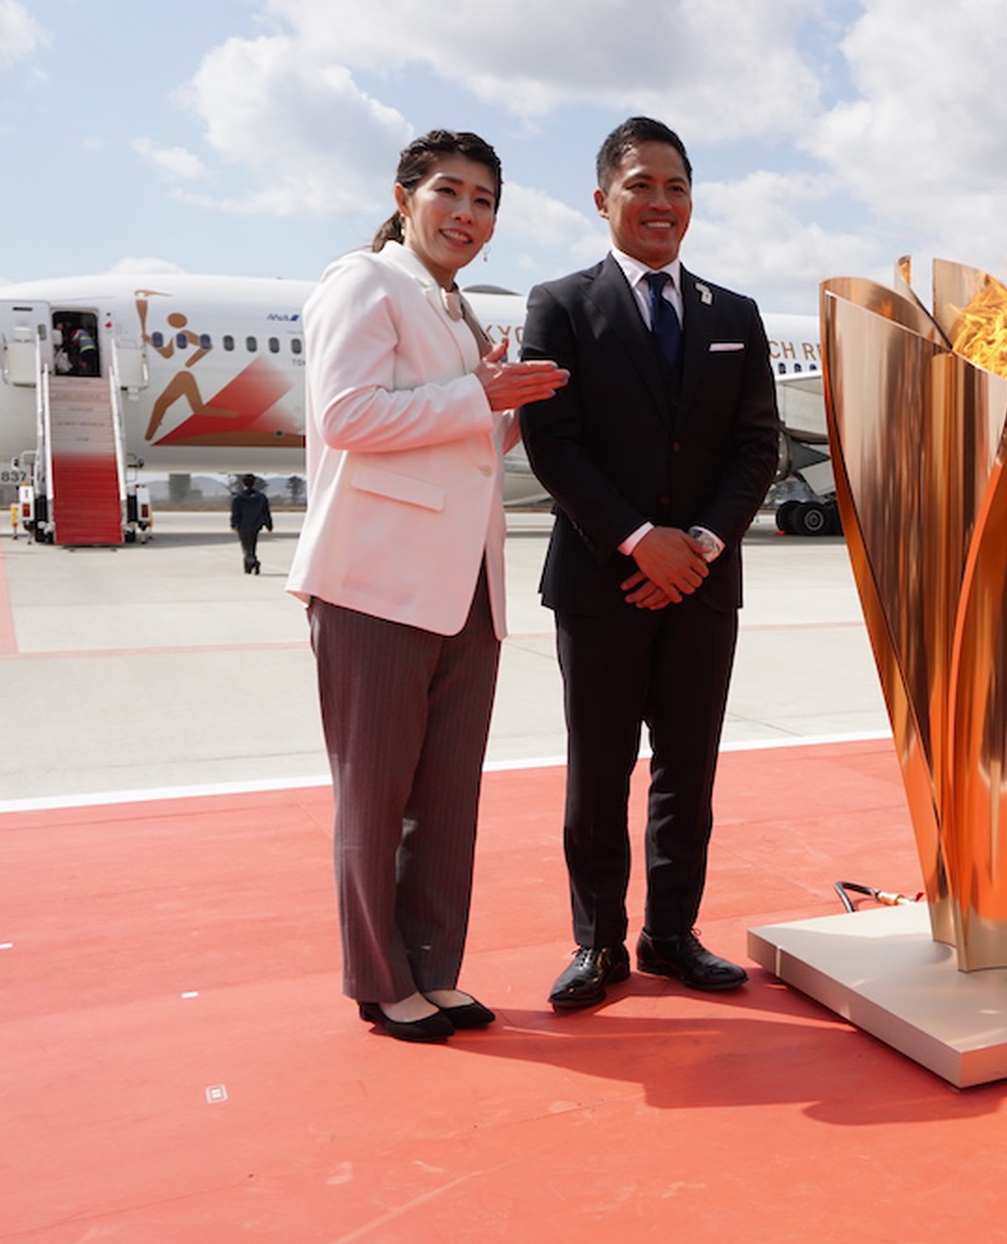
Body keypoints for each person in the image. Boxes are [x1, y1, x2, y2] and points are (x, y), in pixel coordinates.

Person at [286, 130, 568, 1042]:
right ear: (405, 196)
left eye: (485, 201)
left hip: (465, 588)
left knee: (446, 798)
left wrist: (511, 409)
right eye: (450, 192)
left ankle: (434, 969)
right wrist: (481, 399)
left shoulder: (459, 311)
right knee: (375, 797)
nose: (467, 214)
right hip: (375, 582)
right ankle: (381, 979)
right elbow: (346, 414)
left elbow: (460, 445)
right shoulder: (365, 282)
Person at [520, 116, 780, 1008]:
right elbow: (553, 445)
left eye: (676, 185)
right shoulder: (558, 305)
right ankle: (598, 943)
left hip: (703, 584)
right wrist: (640, 540)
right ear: (604, 200)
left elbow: (757, 449)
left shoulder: (734, 315)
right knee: (598, 769)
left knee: (687, 769)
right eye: (641, 185)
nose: (660, 202)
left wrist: (700, 544)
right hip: (602, 579)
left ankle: (671, 933)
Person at [229, 473, 273, 574]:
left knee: (246, 547)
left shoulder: (238, 498)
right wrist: (269, 525)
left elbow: (235, 513)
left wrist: (233, 524)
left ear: (243, 483)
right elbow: (266, 512)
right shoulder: (261, 497)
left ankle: (253, 562)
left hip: (243, 525)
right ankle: (248, 567)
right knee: (252, 546)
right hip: (256, 525)